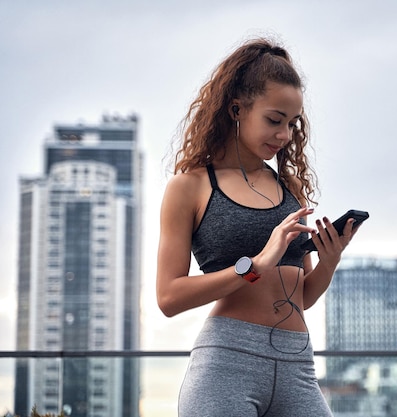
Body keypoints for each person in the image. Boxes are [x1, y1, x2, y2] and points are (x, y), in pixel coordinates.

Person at [156, 37, 360, 417]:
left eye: (291, 123)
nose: (284, 135)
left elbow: (303, 298)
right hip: (227, 364)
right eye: (273, 120)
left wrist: (330, 259)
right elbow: (168, 298)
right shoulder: (191, 186)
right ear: (237, 108)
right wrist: (256, 266)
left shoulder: (289, 188)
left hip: (298, 365)